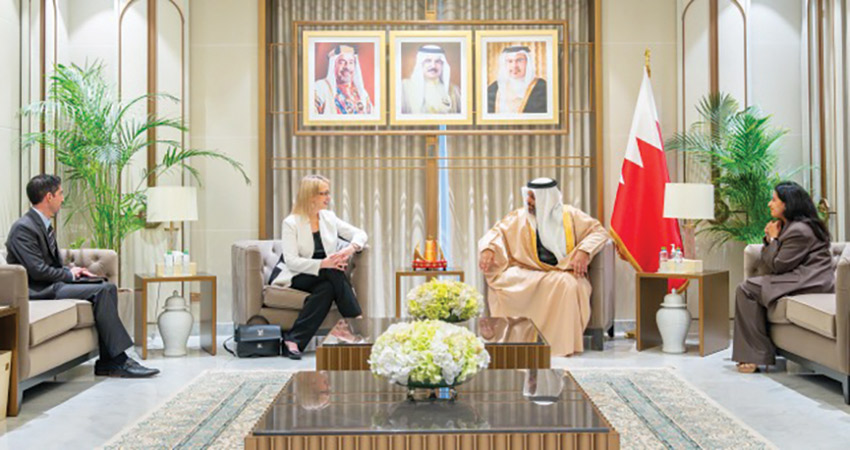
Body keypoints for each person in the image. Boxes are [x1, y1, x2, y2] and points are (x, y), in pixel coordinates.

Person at [5, 174, 159, 378]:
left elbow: (49, 264)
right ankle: (117, 361)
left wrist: (74, 271)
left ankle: (110, 361)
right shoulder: (23, 228)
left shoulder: (41, 223)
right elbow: (38, 270)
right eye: (60, 194)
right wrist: (68, 274)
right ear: (49, 197)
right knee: (102, 290)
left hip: (50, 284)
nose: (63, 199)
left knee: (105, 285)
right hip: (38, 290)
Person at [478, 178, 609, 356]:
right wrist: (488, 248)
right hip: (526, 271)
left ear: (547, 198)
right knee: (505, 282)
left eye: (533, 197)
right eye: (528, 196)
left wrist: (584, 251)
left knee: (568, 284)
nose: (528, 201)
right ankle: (516, 340)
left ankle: (559, 346)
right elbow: (496, 233)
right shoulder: (519, 217)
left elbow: (599, 232)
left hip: (560, 272)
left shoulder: (570, 215)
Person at [733, 181, 835, 373]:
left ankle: (755, 355)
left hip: (810, 281)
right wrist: (772, 239)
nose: (769, 204)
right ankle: (756, 353)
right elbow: (775, 262)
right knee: (748, 288)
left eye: (774, 200)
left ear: (787, 204)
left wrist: (773, 239)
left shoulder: (799, 230)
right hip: (799, 277)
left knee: (747, 289)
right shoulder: (790, 226)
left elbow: (778, 265)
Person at [276, 174, 367, 359]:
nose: (328, 197)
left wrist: (350, 248)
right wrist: (324, 263)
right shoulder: (291, 223)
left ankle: (293, 340)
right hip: (299, 276)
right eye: (323, 193)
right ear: (310, 196)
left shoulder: (328, 217)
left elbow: (360, 234)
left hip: (326, 276)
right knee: (333, 270)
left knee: (326, 289)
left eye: (328, 193)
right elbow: (291, 261)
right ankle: (356, 323)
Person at [313, 44, 374, 115]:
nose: (347, 67)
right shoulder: (321, 87)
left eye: (351, 62)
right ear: (333, 65)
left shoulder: (362, 93)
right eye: (342, 62)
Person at [401, 45, 462, 115]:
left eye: (438, 61)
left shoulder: (453, 90)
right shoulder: (405, 87)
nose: (433, 66)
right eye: (428, 61)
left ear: (443, 65)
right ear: (420, 64)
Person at [486, 45, 547, 114]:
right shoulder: (494, 89)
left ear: (528, 63)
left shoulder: (542, 88)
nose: (514, 66)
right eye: (510, 61)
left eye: (519, 60)